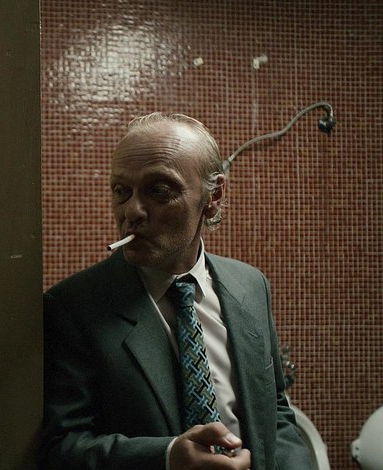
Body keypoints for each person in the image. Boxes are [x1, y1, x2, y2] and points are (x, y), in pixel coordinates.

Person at [40, 113, 312, 469]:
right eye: (121, 191)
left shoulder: (250, 286)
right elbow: (62, 446)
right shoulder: (73, 307)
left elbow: (274, 412)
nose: (132, 211)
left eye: (159, 190)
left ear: (213, 197)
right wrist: (167, 457)